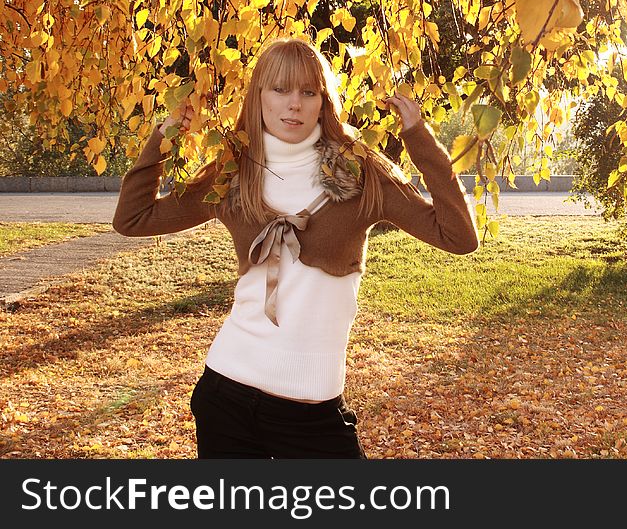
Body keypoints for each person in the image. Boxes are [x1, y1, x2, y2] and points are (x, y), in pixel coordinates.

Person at [113, 37, 479, 458]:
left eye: (308, 92)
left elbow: (458, 237)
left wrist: (420, 142)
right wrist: (164, 139)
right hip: (227, 393)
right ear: (259, 97)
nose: (294, 104)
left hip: (314, 411)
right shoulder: (234, 172)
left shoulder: (362, 173)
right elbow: (133, 219)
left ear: (323, 101)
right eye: (280, 89)